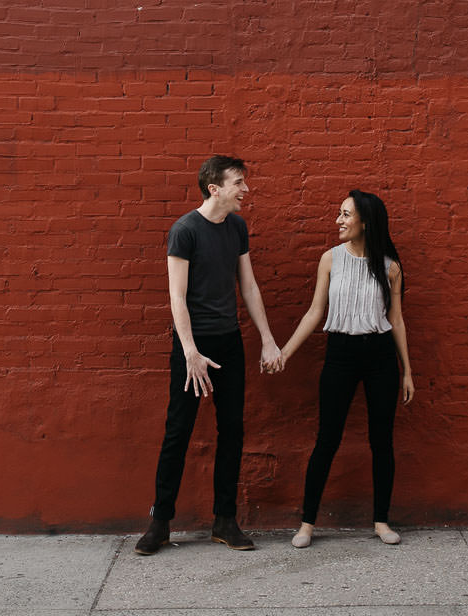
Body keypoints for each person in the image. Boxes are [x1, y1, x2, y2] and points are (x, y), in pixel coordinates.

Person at [135, 155, 283, 555]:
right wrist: (190, 353)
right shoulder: (185, 231)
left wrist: (268, 340)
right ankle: (160, 522)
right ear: (214, 188)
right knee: (177, 432)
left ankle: (225, 520)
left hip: (229, 342)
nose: (245, 190)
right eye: (239, 183)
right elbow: (176, 297)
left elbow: (248, 287)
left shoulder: (236, 226)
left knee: (232, 431)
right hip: (192, 346)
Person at [276, 188, 413, 547]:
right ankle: (307, 524)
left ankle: (381, 521)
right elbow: (314, 312)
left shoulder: (390, 267)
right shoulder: (330, 259)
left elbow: (396, 320)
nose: (338, 220)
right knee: (327, 439)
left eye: (345, 215)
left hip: (381, 356)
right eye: (339, 213)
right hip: (340, 354)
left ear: (365, 222)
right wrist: (285, 352)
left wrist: (407, 371)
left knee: (381, 441)